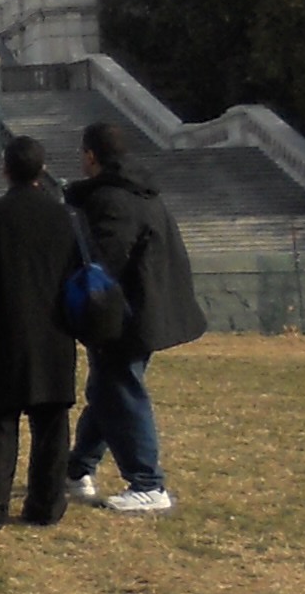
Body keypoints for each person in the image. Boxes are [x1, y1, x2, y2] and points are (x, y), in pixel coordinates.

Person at [64, 121, 204, 517]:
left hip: (124, 315)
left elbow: (105, 261)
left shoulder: (111, 200)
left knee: (122, 391)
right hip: (150, 307)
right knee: (106, 392)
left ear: (91, 155)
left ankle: (147, 483)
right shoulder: (144, 193)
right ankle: (77, 469)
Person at [0, 132, 82, 527]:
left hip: (4, 333)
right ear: (41, 170)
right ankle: (46, 505)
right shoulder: (65, 217)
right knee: (52, 424)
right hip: (55, 332)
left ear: (5, 170)